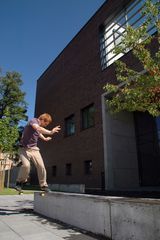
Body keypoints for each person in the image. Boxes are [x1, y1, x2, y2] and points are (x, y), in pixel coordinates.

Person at [15, 113, 61, 192]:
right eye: (46, 124)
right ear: (43, 120)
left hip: (34, 149)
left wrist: (45, 138)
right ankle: (19, 182)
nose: (45, 126)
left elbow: (38, 133)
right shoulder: (33, 121)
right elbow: (38, 129)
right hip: (23, 149)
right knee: (26, 166)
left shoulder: (37, 127)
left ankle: (43, 185)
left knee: (41, 166)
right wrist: (50, 132)